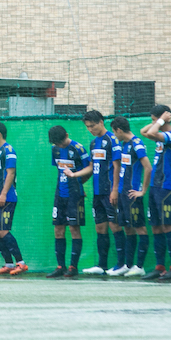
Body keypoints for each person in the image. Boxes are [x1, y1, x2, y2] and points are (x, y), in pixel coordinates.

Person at [73, 111, 123, 276]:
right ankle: (102, 265)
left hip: (110, 191)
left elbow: (117, 166)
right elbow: (91, 167)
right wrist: (76, 177)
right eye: (87, 127)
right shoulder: (94, 143)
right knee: (100, 227)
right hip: (97, 192)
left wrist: (115, 189)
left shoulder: (112, 140)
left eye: (92, 126)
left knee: (115, 225)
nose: (90, 129)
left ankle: (121, 264)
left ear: (101, 122)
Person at [140, 105, 171, 280]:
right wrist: (158, 120)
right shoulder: (159, 136)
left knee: (167, 226)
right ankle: (159, 267)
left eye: (154, 119)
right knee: (156, 227)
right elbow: (144, 131)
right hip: (155, 186)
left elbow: (150, 133)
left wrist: (161, 120)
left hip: (166, 186)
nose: (152, 123)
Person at [110, 117, 153, 278]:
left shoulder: (137, 143)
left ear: (119, 130)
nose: (115, 135)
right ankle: (128, 265)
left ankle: (140, 266)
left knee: (140, 228)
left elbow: (148, 168)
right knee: (127, 227)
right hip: (122, 193)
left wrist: (142, 190)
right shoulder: (124, 145)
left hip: (132, 194)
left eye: (114, 132)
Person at [47, 125, 89, 278]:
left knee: (73, 229)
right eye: (57, 143)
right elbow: (59, 170)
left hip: (74, 194)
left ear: (66, 134)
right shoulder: (55, 149)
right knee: (58, 229)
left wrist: (77, 180)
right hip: (60, 194)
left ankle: (73, 267)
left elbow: (90, 168)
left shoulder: (78, 148)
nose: (60, 145)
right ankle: (60, 266)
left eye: (61, 142)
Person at [0, 122, 27, 275]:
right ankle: (8, 264)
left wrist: (3, 194)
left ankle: (21, 263)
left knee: (3, 230)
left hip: (7, 198)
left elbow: (10, 174)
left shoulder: (8, 150)